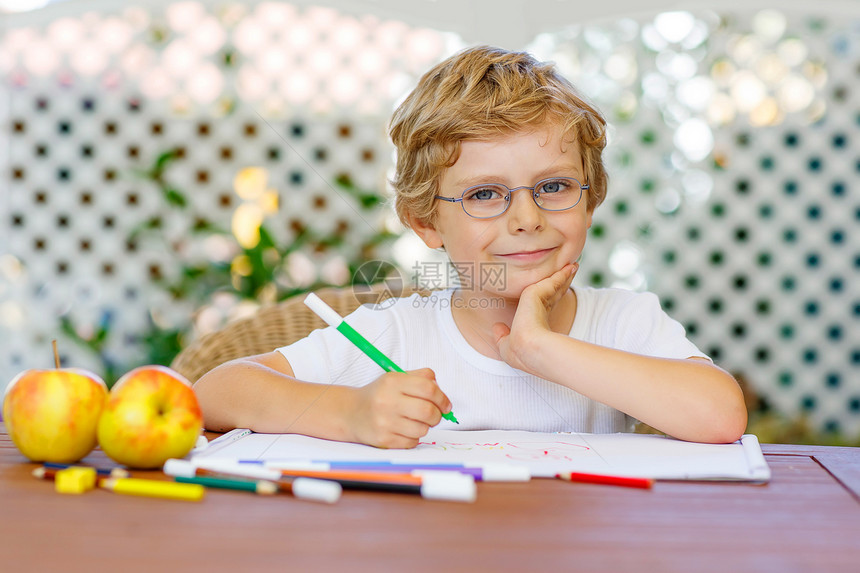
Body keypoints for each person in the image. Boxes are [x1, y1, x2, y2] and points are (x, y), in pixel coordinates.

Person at [193, 46, 748, 448]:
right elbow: (218, 390)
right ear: (426, 223)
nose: (527, 219)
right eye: (486, 194)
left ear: (590, 195)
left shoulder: (623, 322)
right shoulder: (396, 333)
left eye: (553, 186)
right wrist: (351, 412)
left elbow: (720, 417)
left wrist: (543, 349)